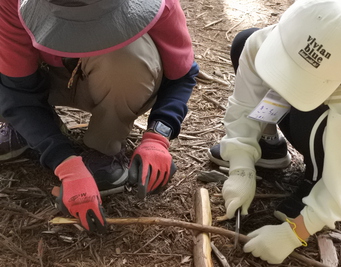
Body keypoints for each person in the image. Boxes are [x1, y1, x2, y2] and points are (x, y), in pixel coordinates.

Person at [208, 0, 341, 263]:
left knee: (314, 113)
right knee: (244, 41)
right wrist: (240, 165)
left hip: (323, 133)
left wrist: (295, 232)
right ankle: (268, 145)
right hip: (297, 113)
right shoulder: (279, 35)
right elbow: (245, 103)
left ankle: (315, 179)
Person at [0, 0, 199, 233]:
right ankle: (31, 127)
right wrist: (64, 162)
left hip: (112, 75)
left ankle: (105, 144)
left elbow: (181, 74)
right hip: (48, 76)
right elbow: (16, 91)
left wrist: (159, 133)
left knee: (127, 59)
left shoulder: (161, 5)